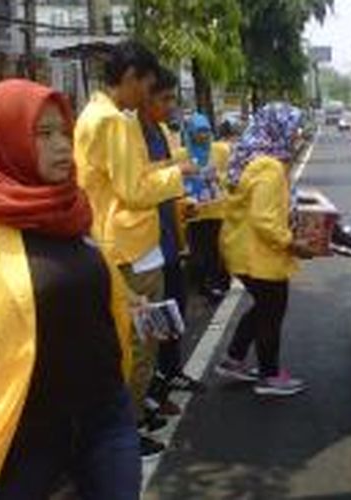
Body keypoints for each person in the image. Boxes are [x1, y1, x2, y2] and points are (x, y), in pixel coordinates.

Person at [0, 80, 139, 499]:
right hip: (20, 429)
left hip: (105, 414)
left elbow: (83, 280)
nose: (63, 146)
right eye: (43, 134)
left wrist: (126, 303)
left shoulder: (71, 206)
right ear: (6, 138)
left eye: (64, 132)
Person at [74, 40, 196, 459]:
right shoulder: (115, 121)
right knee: (139, 347)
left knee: (129, 344)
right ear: (129, 79)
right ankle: (125, 432)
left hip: (114, 241)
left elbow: (124, 179)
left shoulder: (94, 114)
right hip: (131, 246)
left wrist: (166, 167)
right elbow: (134, 189)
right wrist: (177, 175)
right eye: (146, 86)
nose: (147, 95)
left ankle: (125, 425)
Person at [214, 102, 313, 397]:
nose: (297, 136)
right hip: (260, 256)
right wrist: (292, 243)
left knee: (263, 308)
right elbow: (264, 220)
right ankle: (270, 375)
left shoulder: (251, 158)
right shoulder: (269, 168)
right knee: (271, 311)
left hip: (243, 250)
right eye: (294, 129)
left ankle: (234, 358)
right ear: (278, 129)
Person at [138, 67, 206, 415]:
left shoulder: (161, 131)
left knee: (175, 309)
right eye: (163, 98)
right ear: (143, 95)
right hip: (145, 246)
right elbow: (140, 185)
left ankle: (171, 372)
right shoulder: (132, 132)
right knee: (152, 323)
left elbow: (166, 179)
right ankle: (151, 390)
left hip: (168, 236)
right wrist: (177, 173)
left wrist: (184, 201)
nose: (169, 106)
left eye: (171, 99)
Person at [183, 113, 229, 302]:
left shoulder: (220, 150)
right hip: (194, 212)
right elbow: (176, 179)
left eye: (207, 131)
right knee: (199, 251)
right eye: (199, 131)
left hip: (217, 209)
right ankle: (205, 287)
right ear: (190, 133)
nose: (204, 135)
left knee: (218, 249)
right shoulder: (181, 154)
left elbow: (229, 174)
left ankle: (219, 284)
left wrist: (217, 176)